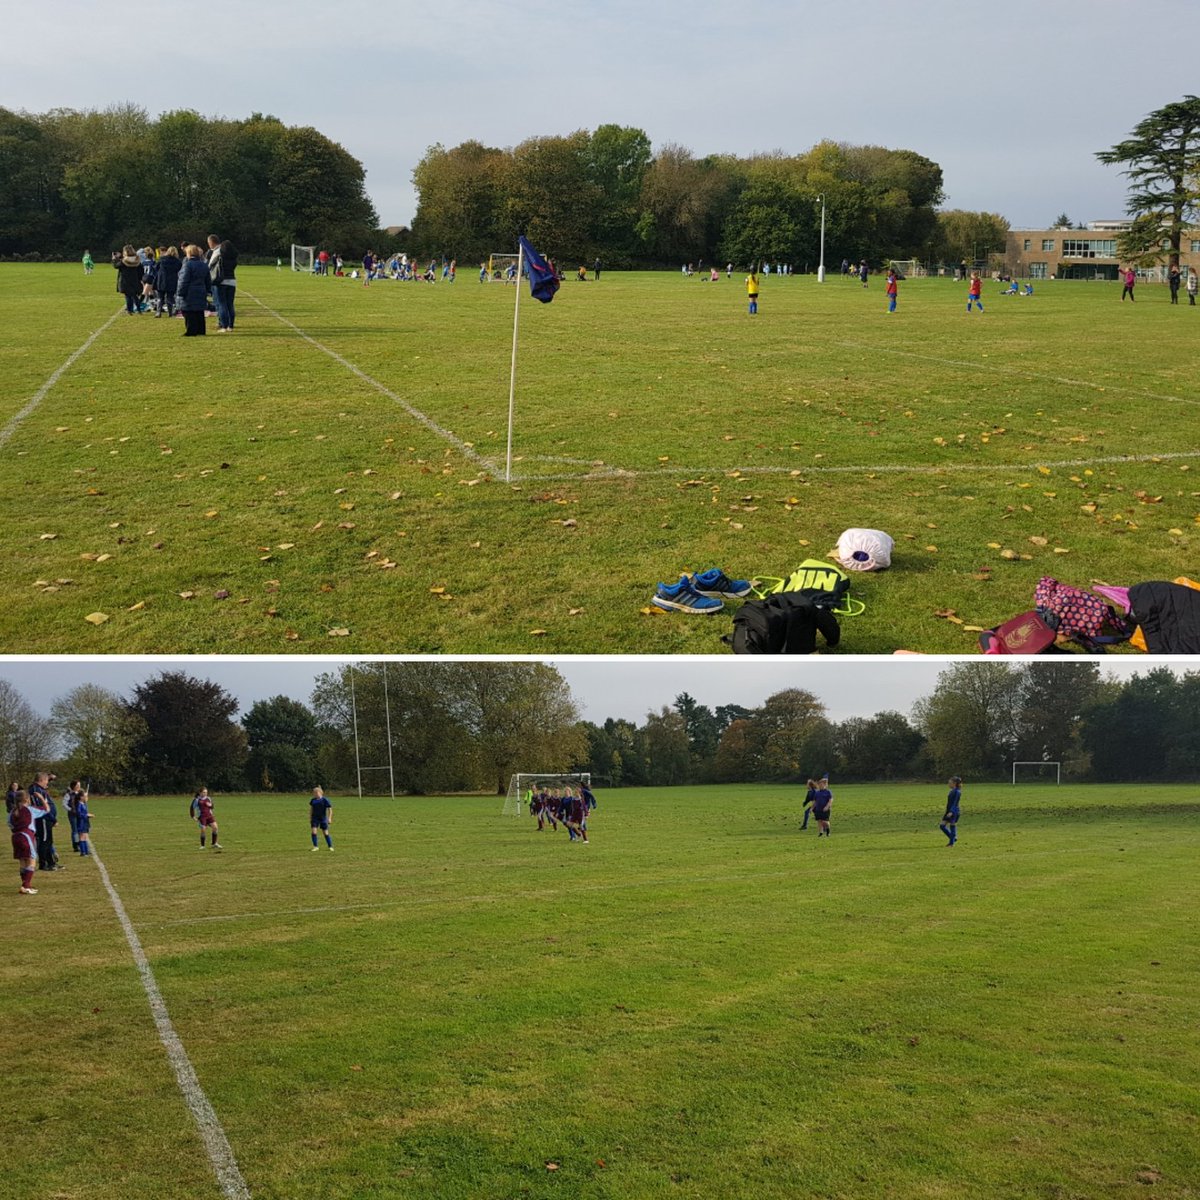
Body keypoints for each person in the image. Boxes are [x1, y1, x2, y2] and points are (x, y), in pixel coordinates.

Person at [9, 789, 47, 894]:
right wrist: (41, 798)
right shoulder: (30, 810)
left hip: (15, 836)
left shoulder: (12, 812)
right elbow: (46, 809)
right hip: (26, 836)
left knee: (23, 861)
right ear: (27, 799)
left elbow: (10, 824)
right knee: (32, 860)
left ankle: (26, 884)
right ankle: (25, 886)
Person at [176, 245, 209, 337]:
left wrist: (180, 292)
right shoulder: (204, 265)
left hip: (189, 290)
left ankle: (191, 331)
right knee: (199, 311)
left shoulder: (187, 265)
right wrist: (207, 290)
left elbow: (184, 280)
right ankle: (201, 330)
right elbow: (208, 279)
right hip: (201, 289)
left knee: (189, 311)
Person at [29, 772, 59, 871]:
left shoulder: (40, 789)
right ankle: (43, 864)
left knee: (49, 841)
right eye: (46, 781)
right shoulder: (35, 790)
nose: (47, 783)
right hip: (43, 819)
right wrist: (53, 818)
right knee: (44, 841)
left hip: (47, 819)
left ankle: (51, 863)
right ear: (41, 780)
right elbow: (40, 807)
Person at [208, 234, 238, 330]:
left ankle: (224, 326)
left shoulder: (218, 253)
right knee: (230, 304)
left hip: (221, 281)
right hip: (232, 281)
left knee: (222, 304)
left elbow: (210, 265)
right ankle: (231, 325)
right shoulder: (233, 257)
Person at [113, 245, 144, 314]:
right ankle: (139, 309)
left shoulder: (124, 261)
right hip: (135, 280)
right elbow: (141, 271)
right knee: (135, 295)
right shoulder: (137, 260)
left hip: (125, 280)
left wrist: (115, 259)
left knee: (128, 296)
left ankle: (130, 310)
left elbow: (116, 266)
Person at [154, 246, 181, 319]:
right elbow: (178, 269)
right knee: (170, 297)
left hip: (162, 280)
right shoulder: (178, 261)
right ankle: (170, 313)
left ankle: (158, 312)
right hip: (172, 280)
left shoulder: (162, 259)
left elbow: (156, 267)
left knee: (160, 297)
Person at [939, 776, 962, 846]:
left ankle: (951, 843)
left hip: (954, 811)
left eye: (950, 783)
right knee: (942, 826)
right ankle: (953, 838)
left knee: (952, 824)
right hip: (948, 811)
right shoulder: (951, 791)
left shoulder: (957, 792)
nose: (948, 784)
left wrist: (951, 811)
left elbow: (955, 803)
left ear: (954, 783)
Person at [310, 786, 334, 851]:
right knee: (314, 832)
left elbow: (330, 810)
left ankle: (330, 846)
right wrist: (310, 817)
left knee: (325, 833)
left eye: (316, 793)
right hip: (315, 818)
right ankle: (315, 846)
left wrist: (329, 818)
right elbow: (311, 809)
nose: (314, 794)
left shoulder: (325, 800)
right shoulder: (313, 800)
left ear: (320, 793)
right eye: (314, 793)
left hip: (323, 818)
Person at [74, 788, 92, 858]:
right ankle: (83, 852)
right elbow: (79, 814)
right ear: (81, 797)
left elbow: (85, 811)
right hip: (81, 823)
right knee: (82, 837)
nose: (86, 798)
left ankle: (86, 851)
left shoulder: (83, 804)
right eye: (85, 796)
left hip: (85, 822)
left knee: (85, 836)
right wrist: (86, 815)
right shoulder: (79, 804)